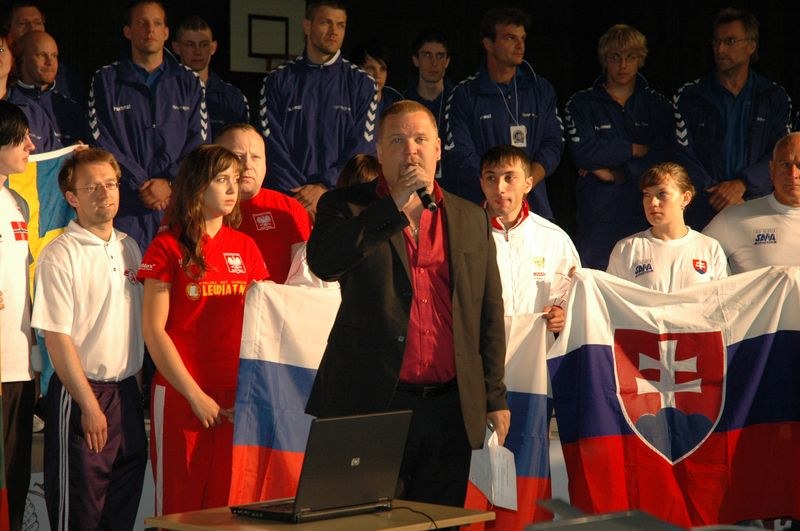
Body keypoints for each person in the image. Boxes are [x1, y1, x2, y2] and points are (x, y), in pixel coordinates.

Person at [306, 100, 509, 507]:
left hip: (451, 407)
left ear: (438, 149)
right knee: (365, 520)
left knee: (438, 519)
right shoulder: (345, 206)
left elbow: (488, 312)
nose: (411, 150)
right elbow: (324, 263)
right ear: (380, 152)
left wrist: (494, 397)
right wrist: (392, 205)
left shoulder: (471, 217)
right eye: (397, 140)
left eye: (420, 139)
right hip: (373, 401)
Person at [140, 145, 268, 515]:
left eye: (235, 179)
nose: (232, 188)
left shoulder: (247, 248)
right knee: (179, 511)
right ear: (197, 185)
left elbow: (263, 328)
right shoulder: (166, 247)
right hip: (182, 395)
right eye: (221, 179)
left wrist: (251, 394)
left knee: (228, 510)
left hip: (235, 400)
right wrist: (195, 396)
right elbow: (153, 331)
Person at [31, 148, 147, 531]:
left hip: (126, 395)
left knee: (120, 513)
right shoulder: (60, 255)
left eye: (110, 184)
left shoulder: (130, 247)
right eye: (92, 187)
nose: (105, 193)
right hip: (83, 395)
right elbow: (56, 338)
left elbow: (137, 328)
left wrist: (136, 393)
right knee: (80, 516)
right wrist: (88, 404)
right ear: (71, 197)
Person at [88, 0, 206, 251]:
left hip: (175, 205)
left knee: (176, 272)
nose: (150, 29)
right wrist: (140, 182)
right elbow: (100, 140)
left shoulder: (189, 82)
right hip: (125, 205)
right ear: (128, 31)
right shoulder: (106, 80)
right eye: (142, 23)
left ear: (166, 32)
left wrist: (169, 183)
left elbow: (199, 143)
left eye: (157, 23)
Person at [564, 24, 673, 269]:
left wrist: (616, 173)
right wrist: (632, 149)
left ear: (640, 59)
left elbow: (662, 158)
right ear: (605, 60)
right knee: (598, 283)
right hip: (599, 214)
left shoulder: (658, 105)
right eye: (615, 57)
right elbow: (582, 152)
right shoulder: (581, 103)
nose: (623, 65)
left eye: (630, 57)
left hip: (646, 212)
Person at [673, 8, 791, 230]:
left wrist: (743, 184)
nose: (720, 49)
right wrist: (717, 192)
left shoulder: (773, 96)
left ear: (751, 46)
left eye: (730, 41)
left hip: (757, 208)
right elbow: (681, 152)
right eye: (716, 42)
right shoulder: (690, 95)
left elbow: (781, 151)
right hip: (703, 209)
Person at [258, 0, 377, 218]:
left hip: (342, 203)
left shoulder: (362, 84)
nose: (334, 32)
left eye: (341, 25)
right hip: (290, 201)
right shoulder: (278, 80)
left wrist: (324, 187)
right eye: (326, 23)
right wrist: (302, 197)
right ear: (307, 26)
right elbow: (270, 146)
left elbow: (363, 148)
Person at [443, 7, 563, 219]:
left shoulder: (541, 89)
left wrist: (524, 184)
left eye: (522, 38)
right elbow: (460, 153)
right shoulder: (465, 94)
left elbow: (554, 143)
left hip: (534, 207)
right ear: (488, 44)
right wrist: (499, 186)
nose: (520, 45)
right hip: (480, 211)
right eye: (510, 38)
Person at [480, 145, 580, 333]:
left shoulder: (553, 238)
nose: (500, 188)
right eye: (491, 178)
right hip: (483, 348)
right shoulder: (465, 233)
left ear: (528, 183)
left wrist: (561, 312)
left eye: (509, 178)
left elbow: (572, 294)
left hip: (537, 347)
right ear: (482, 183)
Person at [0, 100, 37, 531]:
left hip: (19, 366)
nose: (31, 145)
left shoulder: (17, 203)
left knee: (15, 480)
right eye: (20, 138)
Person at [607, 162, 728, 292]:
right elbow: (611, 299)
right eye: (647, 194)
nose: (653, 202)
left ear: (685, 198)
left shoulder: (710, 248)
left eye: (662, 194)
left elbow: (724, 300)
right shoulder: (627, 248)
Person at [216, 123, 311, 284]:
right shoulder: (198, 209)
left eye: (255, 157)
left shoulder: (289, 210)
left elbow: (305, 280)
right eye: (237, 156)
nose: (248, 165)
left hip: (277, 300)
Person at [703, 132, 800, 274]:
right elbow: (693, 260)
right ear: (771, 169)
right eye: (785, 164)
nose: (793, 174)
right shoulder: (733, 218)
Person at [172, 15, 249, 138]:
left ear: (213, 47)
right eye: (190, 45)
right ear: (176, 47)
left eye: (204, 45)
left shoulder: (232, 97)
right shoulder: (165, 92)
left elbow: (240, 143)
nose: (198, 51)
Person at [10, 30, 88, 146]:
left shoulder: (71, 109)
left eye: (54, 55)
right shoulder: (9, 102)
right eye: (41, 55)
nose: (50, 62)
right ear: (22, 58)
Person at [2, 1, 85, 104]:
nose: (32, 28)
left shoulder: (64, 76)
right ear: (8, 31)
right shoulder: (3, 71)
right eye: (22, 24)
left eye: (38, 23)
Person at [403, 29, 453, 143]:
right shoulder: (403, 101)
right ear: (416, 60)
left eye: (440, 56)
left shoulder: (459, 100)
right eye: (427, 55)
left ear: (447, 62)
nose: (434, 63)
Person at [351, 39, 403, 116]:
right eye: (370, 69)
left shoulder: (396, 101)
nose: (377, 75)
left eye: (383, 69)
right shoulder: (347, 103)